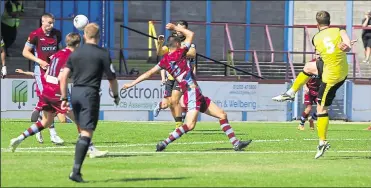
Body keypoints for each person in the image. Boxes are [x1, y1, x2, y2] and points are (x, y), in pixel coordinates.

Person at [123, 22, 252, 152]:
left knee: (222, 115)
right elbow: (191, 34)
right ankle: (163, 143)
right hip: (191, 92)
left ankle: (236, 143)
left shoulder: (165, 60)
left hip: (195, 92)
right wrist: (175, 28)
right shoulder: (180, 52)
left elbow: (148, 73)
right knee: (189, 125)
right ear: (178, 44)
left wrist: (131, 84)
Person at [272, 11, 353, 159]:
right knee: (309, 67)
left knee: (321, 109)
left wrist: (343, 49)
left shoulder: (316, 38)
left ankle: (322, 142)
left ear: (317, 25)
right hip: (340, 69)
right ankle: (291, 92)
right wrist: (346, 48)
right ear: (330, 22)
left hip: (332, 77)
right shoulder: (340, 30)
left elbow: (319, 55)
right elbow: (347, 45)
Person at [14, 33, 108, 159]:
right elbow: (62, 78)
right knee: (80, 120)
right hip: (56, 92)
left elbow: (47, 74)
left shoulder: (57, 54)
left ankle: (19, 138)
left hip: (46, 90)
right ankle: (91, 149)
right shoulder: (72, 56)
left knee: (46, 122)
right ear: (78, 44)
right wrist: (64, 97)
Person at [59, 23, 120, 182]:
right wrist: (115, 96)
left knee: (82, 130)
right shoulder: (102, 53)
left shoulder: (75, 53)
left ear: (84, 36)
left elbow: (64, 76)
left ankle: (77, 170)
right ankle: (75, 172)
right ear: (98, 37)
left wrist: (64, 98)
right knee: (86, 132)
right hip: (89, 93)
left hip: (75, 93)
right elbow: (112, 78)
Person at [22, 13, 64, 145]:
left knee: (53, 100)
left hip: (53, 72)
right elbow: (25, 52)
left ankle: (39, 126)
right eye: (49, 23)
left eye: (52, 23)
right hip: (40, 72)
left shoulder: (57, 34)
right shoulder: (35, 34)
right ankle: (53, 134)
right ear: (43, 22)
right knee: (48, 100)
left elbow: (59, 50)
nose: (51, 26)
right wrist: (39, 61)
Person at [153, 20, 197, 127]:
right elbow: (159, 52)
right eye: (177, 27)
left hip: (182, 77)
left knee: (175, 99)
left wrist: (177, 49)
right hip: (171, 77)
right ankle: (178, 124)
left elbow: (192, 54)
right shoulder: (172, 41)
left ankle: (179, 126)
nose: (179, 31)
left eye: (182, 28)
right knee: (170, 104)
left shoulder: (188, 42)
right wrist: (160, 43)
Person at [298, 58, 322, 131]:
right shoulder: (311, 64)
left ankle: (312, 119)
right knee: (308, 108)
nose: (319, 55)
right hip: (309, 90)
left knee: (321, 109)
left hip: (318, 90)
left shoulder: (324, 64)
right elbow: (304, 76)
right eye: (317, 54)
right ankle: (301, 124)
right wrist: (305, 87)